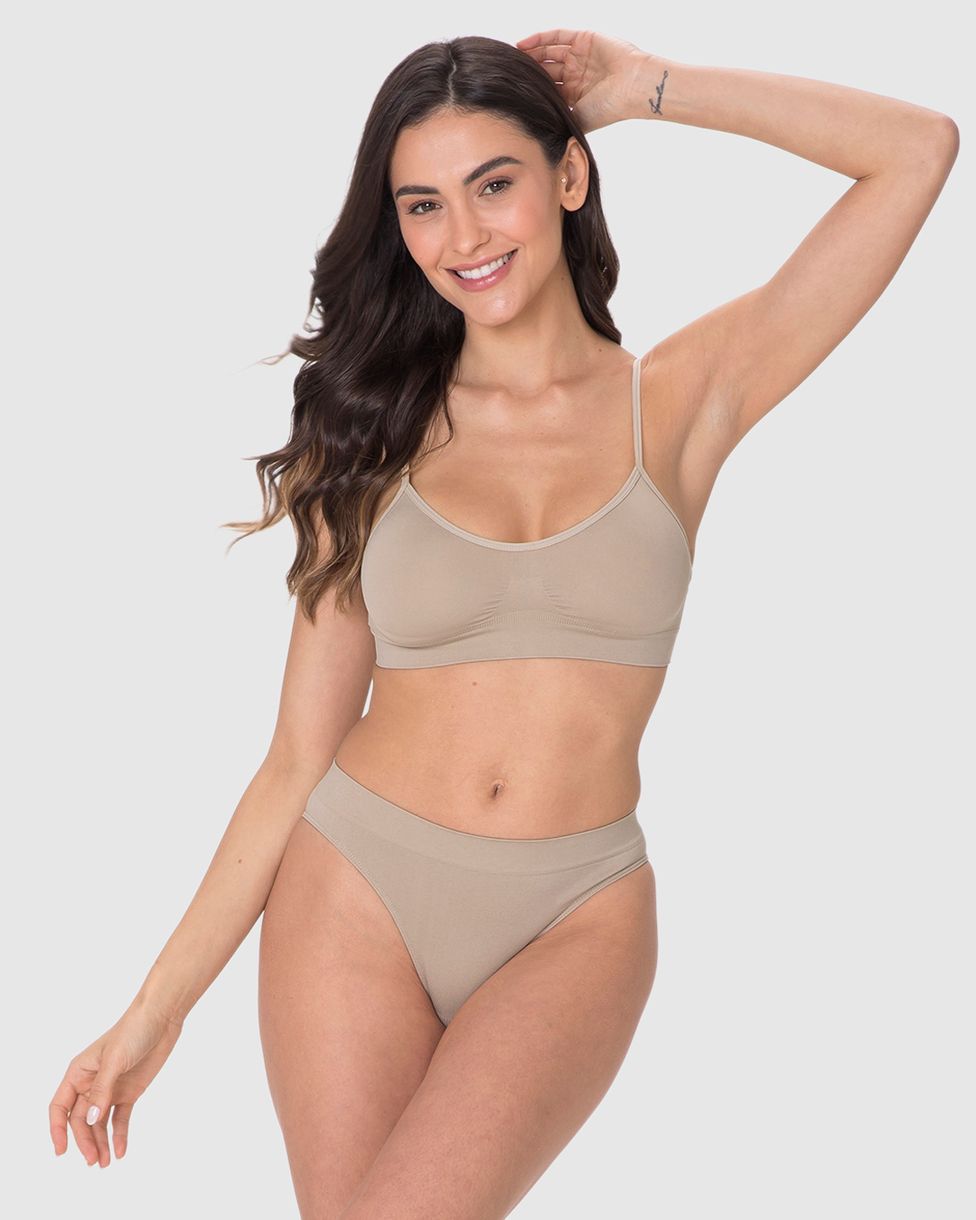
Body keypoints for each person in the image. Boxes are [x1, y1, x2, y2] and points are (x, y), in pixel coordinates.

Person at [49, 29, 958, 1218]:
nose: (464, 237)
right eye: (423, 205)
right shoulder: (367, 426)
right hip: (356, 887)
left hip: (573, 916)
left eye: (494, 185)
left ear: (567, 176)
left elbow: (915, 151)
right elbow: (294, 756)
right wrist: (151, 1013)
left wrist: (647, 90)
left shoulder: (683, 396)